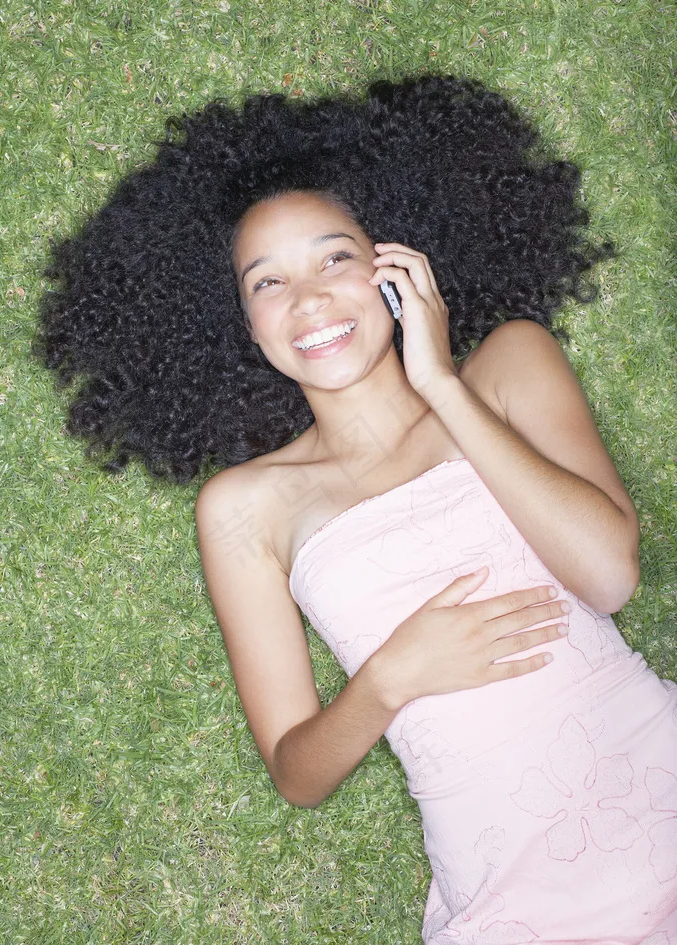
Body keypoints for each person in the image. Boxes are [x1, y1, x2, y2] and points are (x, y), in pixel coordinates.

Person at [34, 74, 677, 942]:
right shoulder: (246, 507)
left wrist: (442, 383)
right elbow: (298, 770)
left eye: (335, 257)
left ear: (393, 264)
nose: (307, 298)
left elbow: (608, 575)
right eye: (268, 283)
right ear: (246, 326)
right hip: (515, 900)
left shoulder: (508, 367)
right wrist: (388, 679)